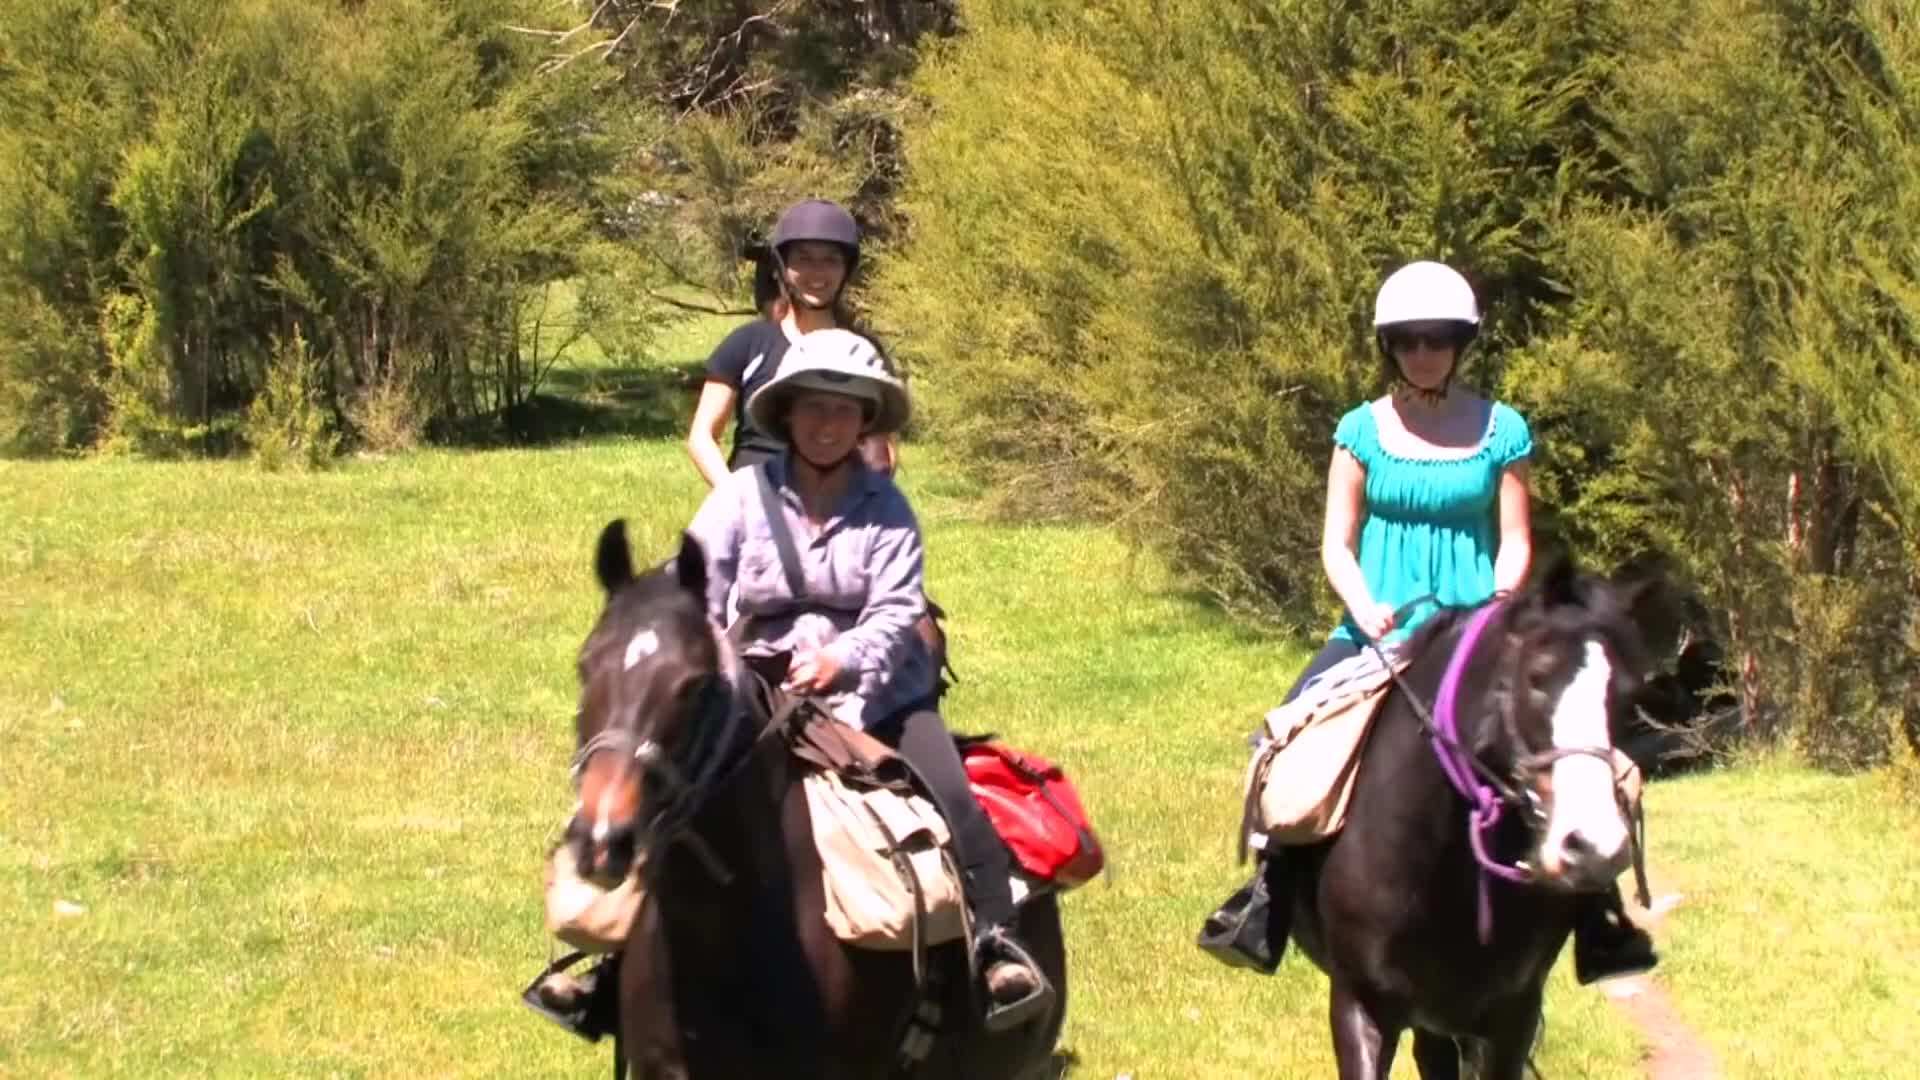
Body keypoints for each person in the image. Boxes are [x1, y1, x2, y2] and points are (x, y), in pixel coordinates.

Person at [527, 328, 1051, 1040]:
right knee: (675, 786)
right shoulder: (743, 495)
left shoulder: (889, 510)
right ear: (786, 415)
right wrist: (717, 662)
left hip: (880, 694)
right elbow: (699, 594)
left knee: (947, 786)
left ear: (865, 420)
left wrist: (845, 657)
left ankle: (996, 943)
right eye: (812, 408)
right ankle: (614, 966)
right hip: (760, 685)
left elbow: (899, 609)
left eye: (844, 410)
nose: (827, 424)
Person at [1198, 259, 1657, 983]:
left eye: (1437, 338)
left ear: (1460, 343)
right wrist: (1364, 607)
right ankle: (1267, 900)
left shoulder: (1503, 431)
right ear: (1390, 346)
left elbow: (1515, 541)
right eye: (1409, 340)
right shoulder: (1361, 432)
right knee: (1284, 746)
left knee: (1587, 759)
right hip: (1374, 636)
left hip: (1478, 637)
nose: (1423, 353)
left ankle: (1599, 920)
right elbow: (1336, 543)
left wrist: (1501, 608)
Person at [685, 199, 896, 489]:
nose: (817, 272)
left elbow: (882, 451)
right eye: (804, 259)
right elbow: (702, 436)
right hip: (755, 502)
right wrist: (734, 498)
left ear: (846, 270)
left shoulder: (862, 352)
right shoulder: (749, 343)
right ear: (783, 266)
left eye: (830, 260)